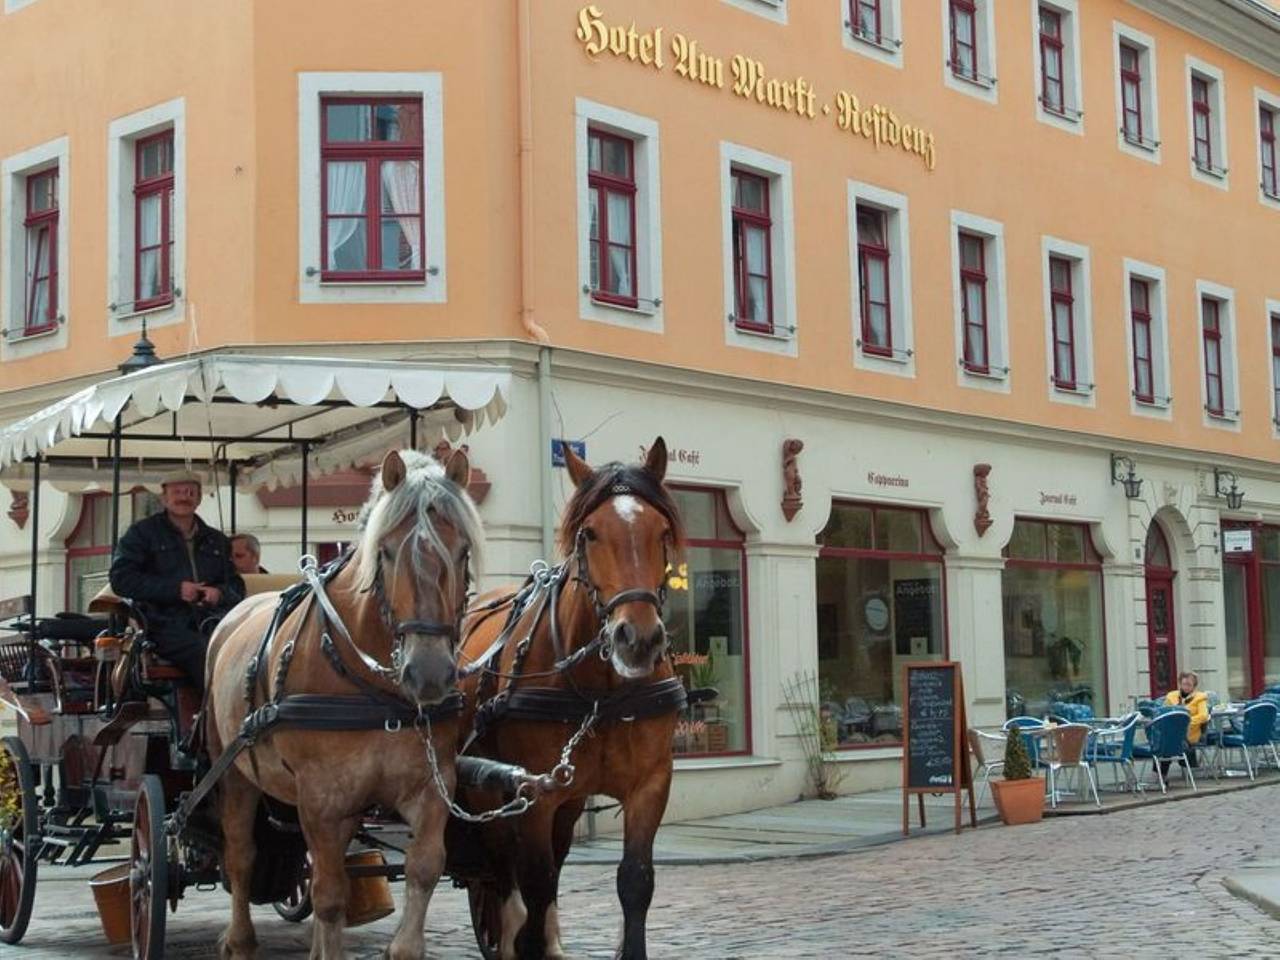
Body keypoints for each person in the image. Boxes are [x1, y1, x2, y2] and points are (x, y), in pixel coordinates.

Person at [109, 470, 243, 690]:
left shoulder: (216, 540)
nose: (184, 497)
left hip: (211, 619)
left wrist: (218, 593)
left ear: (199, 498)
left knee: (247, 645)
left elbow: (235, 585)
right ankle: (215, 712)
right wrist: (176, 590)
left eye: (190, 492)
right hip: (161, 624)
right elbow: (121, 579)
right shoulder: (141, 534)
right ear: (163, 498)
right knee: (203, 650)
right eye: (177, 492)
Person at [1160, 670, 1210, 779]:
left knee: (1170, 742)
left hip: (1190, 733)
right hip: (1173, 732)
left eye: (1189, 685)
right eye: (1183, 684)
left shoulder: (1200, 698)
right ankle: (1162, 775)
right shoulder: (1171, 696)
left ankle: (1163, 775)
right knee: (1164, 744)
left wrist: (1186, 721)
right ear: (1180, 684)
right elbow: (1163, 712)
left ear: (1194, 686)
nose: (1186, 687)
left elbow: (1203, 716)